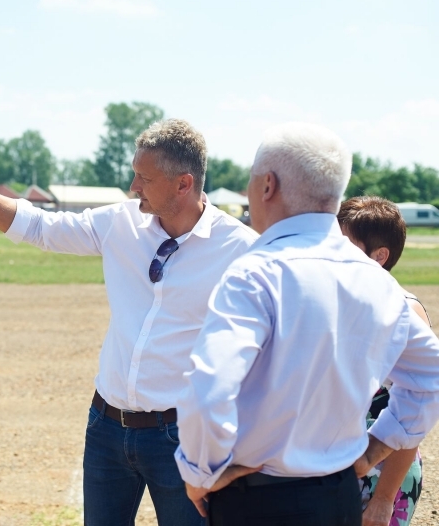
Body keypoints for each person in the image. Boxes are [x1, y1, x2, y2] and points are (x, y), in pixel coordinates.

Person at [0, 119, 258, 526]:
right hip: (107, 429)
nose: (134, 186)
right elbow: (40, 226)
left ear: (184, 184)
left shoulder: (240, 250)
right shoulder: (120, 223)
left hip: (182, 438)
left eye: (144, 178)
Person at [173, 122, 439, 526]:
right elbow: (429, 373)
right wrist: (376, 448)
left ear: (268, 186)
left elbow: (208, 387)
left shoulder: (254, 273)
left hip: (258, 502)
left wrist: (198, 473)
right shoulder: (376, 281)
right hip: (339, 497)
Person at [338, 196, 430, 526]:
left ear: (380, 256)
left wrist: (384, 499)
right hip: (335, 471)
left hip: (382, 478)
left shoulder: (404, 311)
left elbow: (413, 412)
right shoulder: (343, 303)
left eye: (344, 245)